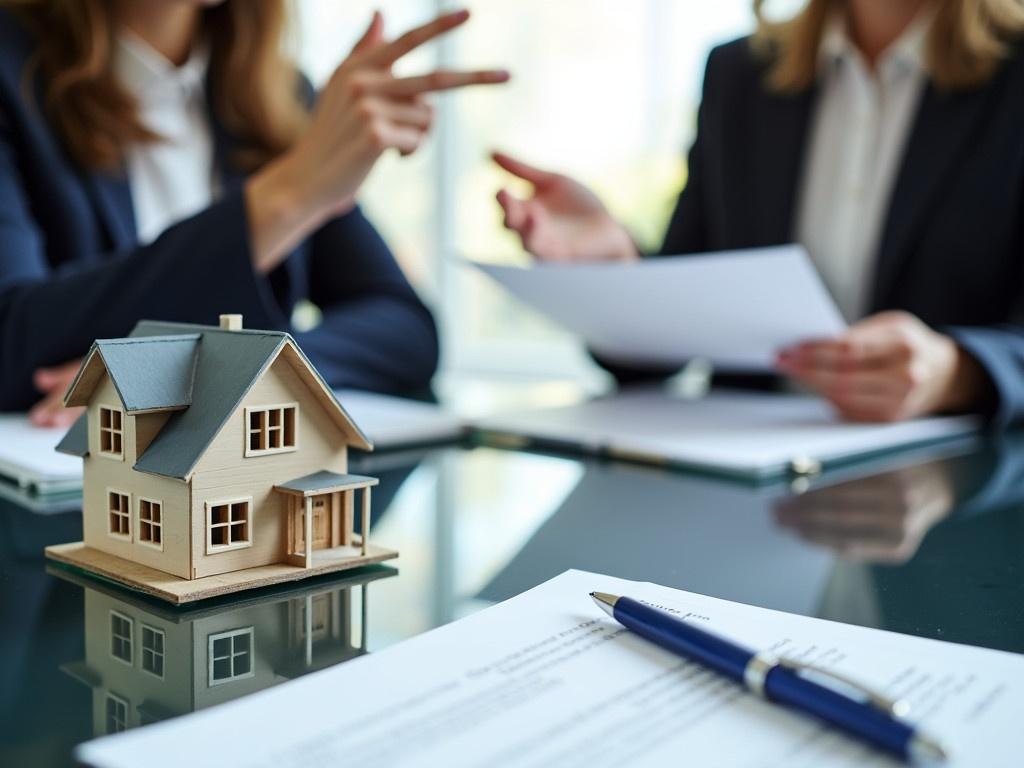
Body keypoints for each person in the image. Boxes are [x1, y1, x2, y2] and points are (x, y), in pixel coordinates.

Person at [494, 0, 1024, 425]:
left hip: (962, 504)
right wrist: (614, 274)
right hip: (747, 497)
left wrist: (961, 374)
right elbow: (684, 316)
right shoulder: (739, 74)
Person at [0, 1, 509, 426]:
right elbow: (11, 341)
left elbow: (405, 329)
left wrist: (218, 373)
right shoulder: (13, 72)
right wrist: (283, 196)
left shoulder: (277, 97)